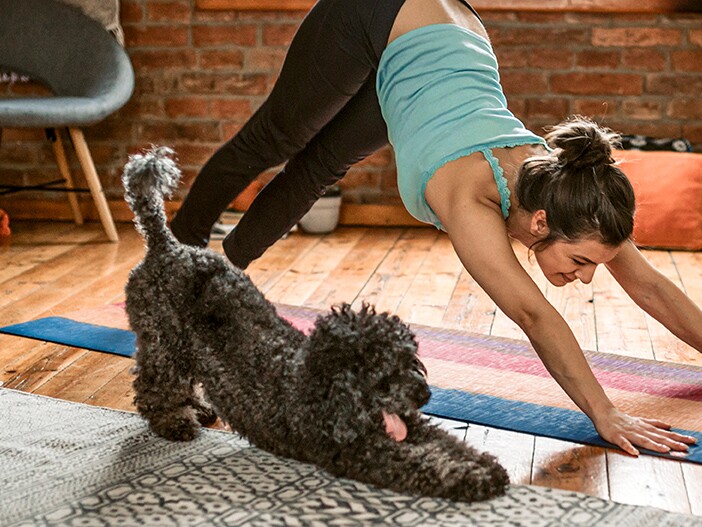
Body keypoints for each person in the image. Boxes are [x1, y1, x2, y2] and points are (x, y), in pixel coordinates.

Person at [170, 0, 702, 455]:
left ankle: (221, 270)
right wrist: (604, 413)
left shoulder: (574, 191)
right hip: (381, 13)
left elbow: (649, 284)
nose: (587, 279)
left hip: (444, 39)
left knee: (318, 168)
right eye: (582, 262)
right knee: (274, 141)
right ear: (540, 222)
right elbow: (535, 316)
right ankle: (175, 260)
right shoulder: (470, 196)